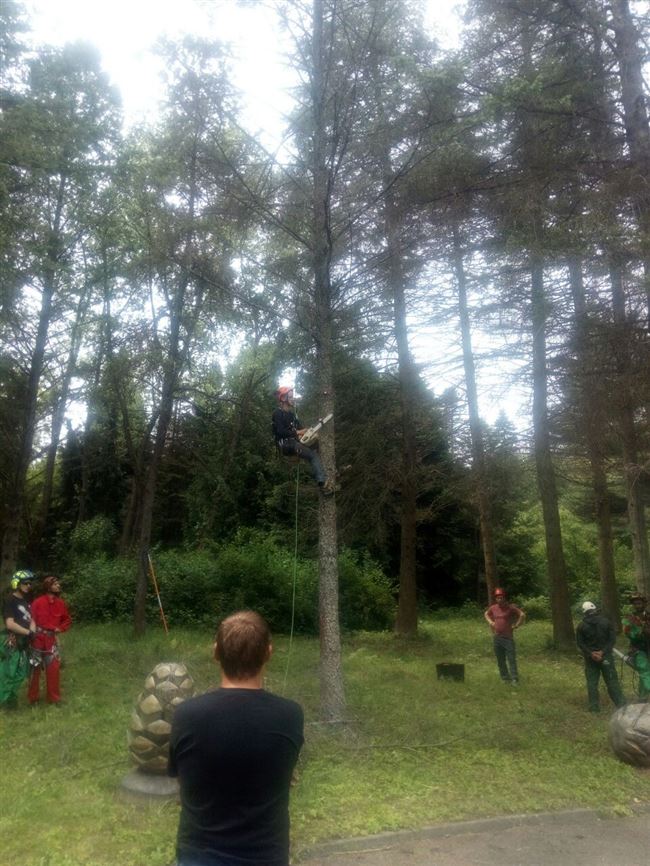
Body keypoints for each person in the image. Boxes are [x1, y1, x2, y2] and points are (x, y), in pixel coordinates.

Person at [169, 610, 304, 866]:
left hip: (199, 857)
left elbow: (180, 779)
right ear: (268, 652)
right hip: (266, 857)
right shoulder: (291, 715)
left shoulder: (187, 714)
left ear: (215, 652)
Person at [272, 386, 333, 495]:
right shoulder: (278, 413)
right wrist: (298, 432)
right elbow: (280, 431)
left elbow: (301, 429)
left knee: (314, 445)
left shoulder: (292, 415)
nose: (292, 399)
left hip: (295, 443)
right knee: (313, 456)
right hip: (286, 444)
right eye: (290, 397)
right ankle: (323, 485)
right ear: (283, 398)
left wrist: (309, 432)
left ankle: (321, 469)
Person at [28, 575, 72, 706]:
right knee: (34, 669)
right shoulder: (37, 602)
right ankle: (33, 698)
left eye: (58, 584)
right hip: (37, 639)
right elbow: (31, 619)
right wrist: (30, 636)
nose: (58, 586)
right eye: (55, 584)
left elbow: (67, 619)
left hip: (51, 640)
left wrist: (60, 628)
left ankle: (54, 698)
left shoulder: (61, 603)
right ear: (48, 586)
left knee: (53, 669)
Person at [576, 601, 625, 713]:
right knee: (612, 681)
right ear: (595, 609)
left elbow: (580, 643)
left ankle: (594, 708)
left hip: (590, 659)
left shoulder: (581, 626)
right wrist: (602, 652)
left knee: (592, 683)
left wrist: (591, 653)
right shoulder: (606, 622)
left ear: (584, 612)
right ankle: (621, 705)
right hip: (606, 657)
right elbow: (612, 640)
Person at [0, 570, 36, 709]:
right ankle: (5, 702)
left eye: (30, 583)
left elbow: (32, 619)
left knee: (21, 673)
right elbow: (10, 624)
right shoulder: (10, 600)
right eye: (25, 583)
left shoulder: (26, 601)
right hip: (12, 641)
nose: (28, 586)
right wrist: (28, 632)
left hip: (24, 641)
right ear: (17, 583)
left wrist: (32, 631)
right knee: (9, 673)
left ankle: (11, 700)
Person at [484, 587, 525, 685]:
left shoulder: (510, 607)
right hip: (497, 638)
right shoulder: (493, 608)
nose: (499, 599)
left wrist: (516, 625)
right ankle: (505, 678)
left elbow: (522, 615)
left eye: (501, 597)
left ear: (504, 598)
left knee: (511, 659)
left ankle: (514, 679)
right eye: (497, 597)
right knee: (500, 660)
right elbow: (486, 614)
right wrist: (491, 622)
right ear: (496, 598)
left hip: (508, 639)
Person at [622, 592, 650, 700]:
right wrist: (640, 632)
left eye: (639, 603)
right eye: (635, 604)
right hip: (638, 649)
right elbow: (628, 633)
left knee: (646, 673)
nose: (638, 605)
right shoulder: (629, 618)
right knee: (644, 670)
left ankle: (642, 697)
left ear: (644, 604)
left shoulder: (648, 616)